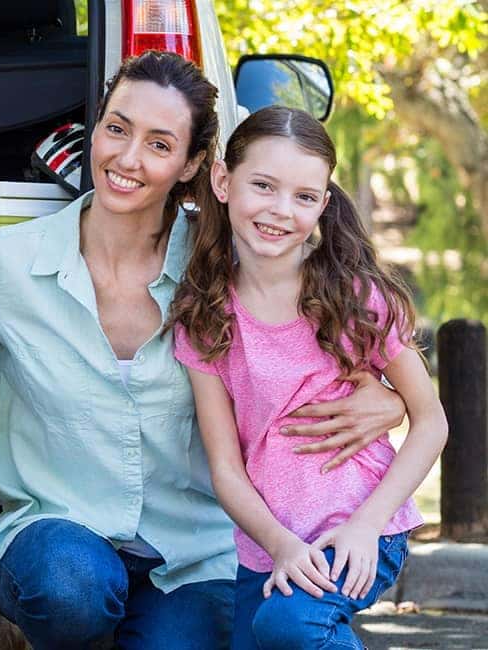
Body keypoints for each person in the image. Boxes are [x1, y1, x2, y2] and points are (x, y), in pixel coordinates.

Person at [0, 51, 410, 649]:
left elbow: (331, 319)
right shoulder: (10, 265)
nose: (127, 158)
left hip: (191, 555)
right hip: (59, 542)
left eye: (159, 145)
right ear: (94, 130)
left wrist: (390, 399)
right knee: (68, 588)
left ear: (193, 167)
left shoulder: (223, 265)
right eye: (116, 129)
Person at [170, 106, 447, 650]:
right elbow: (226, 467)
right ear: (223, 182)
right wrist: (280, 546)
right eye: (263, 186)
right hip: (267, 545)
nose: (280, 210)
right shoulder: (205, 317)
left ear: (323, 204)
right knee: (267, 633)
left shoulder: (355, 298)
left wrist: (369, 525)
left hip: (360, 526)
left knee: (290, 626)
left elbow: (430, 420)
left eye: (302, 196)